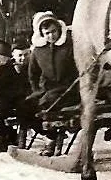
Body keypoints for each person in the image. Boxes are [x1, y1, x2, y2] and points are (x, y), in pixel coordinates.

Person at [28, 11, 78, 156]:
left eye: (54, 31)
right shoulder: (38, 51)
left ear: (59, 29)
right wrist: (36, 90)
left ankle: (51, 140)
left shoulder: (69, 47)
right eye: (47, 33)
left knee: (47, 103)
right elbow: (33, 74)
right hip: (46, 90)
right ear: (42, 34)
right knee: (25, 107)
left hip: (68, 89)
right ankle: (50, 135)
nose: (51, 36)